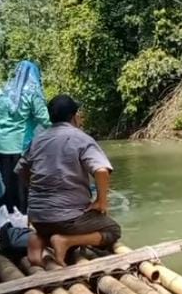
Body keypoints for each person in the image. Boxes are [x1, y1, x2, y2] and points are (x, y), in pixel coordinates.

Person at [16, 94, 121, 266]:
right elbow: (101, 171)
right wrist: (101, 202)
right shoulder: (80, 138)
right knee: (112, 229)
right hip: (67, 220)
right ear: (74, 116)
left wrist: (38, 191)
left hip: (38, 218)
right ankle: (65, 241)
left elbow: (21, 170)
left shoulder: (38, 139)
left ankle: (39, 238)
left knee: (53, 223)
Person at [0, 60, 51, 214]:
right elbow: (46, 120)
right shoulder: (32, 94)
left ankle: (3, 219)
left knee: (2, 185)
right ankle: (21, 222)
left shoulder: (0, 92)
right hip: (19, 147)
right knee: (21, 188)